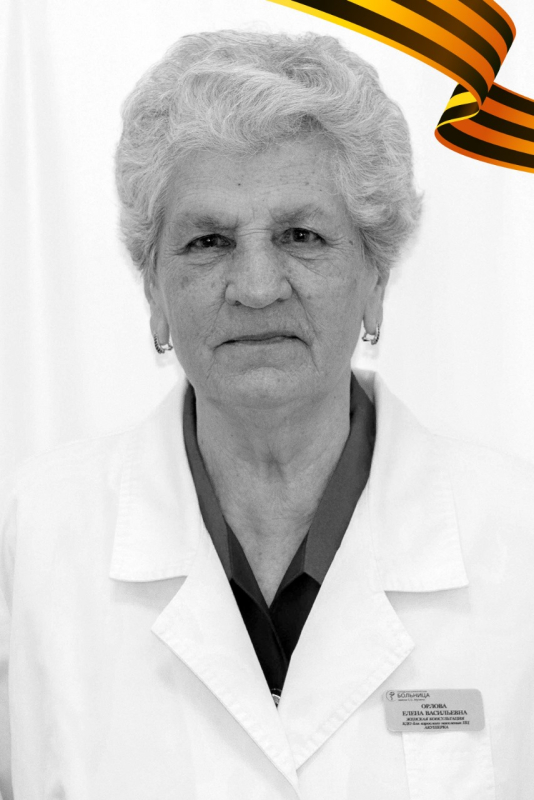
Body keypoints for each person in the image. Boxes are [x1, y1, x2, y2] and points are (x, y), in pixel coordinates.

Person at [1, 29, 533, 800]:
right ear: (153, 292)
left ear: (376, 280)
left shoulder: (518, 539)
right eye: (208, 241)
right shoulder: (30, 542)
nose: (256, 286)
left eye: (301, 235)